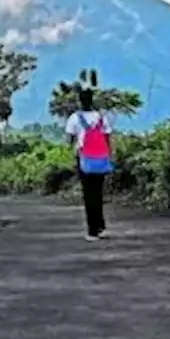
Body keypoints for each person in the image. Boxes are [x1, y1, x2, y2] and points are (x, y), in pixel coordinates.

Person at [65, 87, 113, 241]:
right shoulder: (100, 117)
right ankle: (100, 226)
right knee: (98, 193)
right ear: (92, 100)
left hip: (84, 159)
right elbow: (107, 138)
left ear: (80, 101)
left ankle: (92, 230)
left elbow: (70, 139)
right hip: (101, 158)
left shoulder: (74, 118)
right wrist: (108, 155)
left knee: (88, 194)